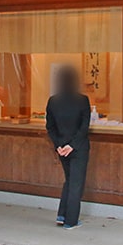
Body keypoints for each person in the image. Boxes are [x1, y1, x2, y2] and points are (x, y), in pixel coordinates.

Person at [46, 65, 91, 230]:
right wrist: (72, 145)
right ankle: (71, 221)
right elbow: (84, 127)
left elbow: (50, 126)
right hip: (78, 148)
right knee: (76, 183)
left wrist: (59, 145)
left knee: (70, 180)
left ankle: (61, 215)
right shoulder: (82, 100)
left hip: (61, 148)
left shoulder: (53, 101)